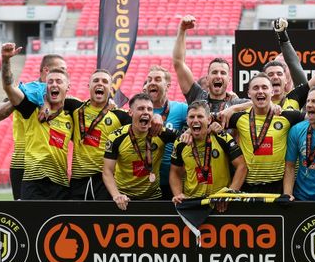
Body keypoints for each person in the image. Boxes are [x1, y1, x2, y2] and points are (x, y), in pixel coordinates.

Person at [0, 43, 74, 200]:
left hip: (56, 172)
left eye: (64, 72)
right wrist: (40, 98)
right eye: (62, 69)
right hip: (24, 164)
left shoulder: (68, 107)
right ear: (47, 71)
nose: (64, 73)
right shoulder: (27, 93)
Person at [227, 73, 307, 194]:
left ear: (272, 92)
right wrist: (191, 130)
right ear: (249, 94)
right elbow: (205, 121)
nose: (260, 91)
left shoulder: (286, 116)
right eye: (255, 88)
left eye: (264, 87)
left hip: (278, 187)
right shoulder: (239, 118)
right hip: (248, 186)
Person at [103, 93, 178, 208]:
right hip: (124, 198)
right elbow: (107, 171)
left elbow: (186, 140)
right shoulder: (116, 137)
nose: (146, 112)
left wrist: (188, 133)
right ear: (130, 113)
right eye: (141, 108)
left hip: (153, 197)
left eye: (149, 109)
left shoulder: (162, 133)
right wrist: (117, 195)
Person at [69, 69, 131, 200]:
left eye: (105, 81)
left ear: (110, 88)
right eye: (96, 80)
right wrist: (46, 103)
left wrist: (155, 118)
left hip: (105, 180)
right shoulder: (74, 107)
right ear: (89, 86)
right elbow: (51, 96)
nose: (100, 84)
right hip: (78, 180)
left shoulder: (120, 115)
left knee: (102, 220)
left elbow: (144, 122)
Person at [170, 101, 246, 205]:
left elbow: (242, 166)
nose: (195, 120)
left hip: (219, 202)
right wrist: (178, 194)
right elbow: (175, 172)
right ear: (187, 121)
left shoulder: (222, 137)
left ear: (209, 119)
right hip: (192, 202)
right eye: (191, 117)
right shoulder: (181, 143)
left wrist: (230, 194)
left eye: (200, 116)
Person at [173, 15, 236, 114]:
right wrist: (182, 30)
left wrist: (235, 108)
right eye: (214, 72)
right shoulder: (197, 96)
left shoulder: (236, 103)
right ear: (207, 79)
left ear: (229, 80)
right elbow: (178, 63)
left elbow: (263, 104)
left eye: (223, 73)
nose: (218, 76)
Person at [142, 65, 189, 200]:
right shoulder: (140, 111)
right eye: (149, 80)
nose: (152, 82)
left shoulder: (181, 109)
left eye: (157, 79)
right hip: (145, 179)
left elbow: (201, 119)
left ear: (168, 86)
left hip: (174, 178)